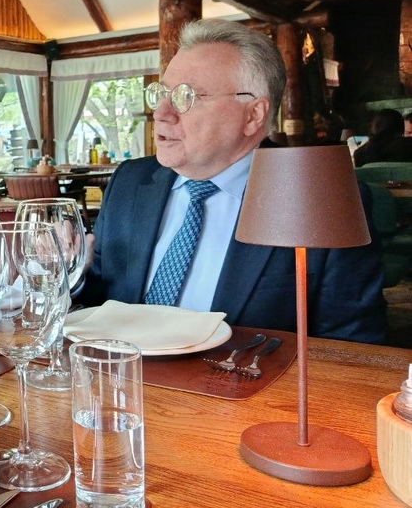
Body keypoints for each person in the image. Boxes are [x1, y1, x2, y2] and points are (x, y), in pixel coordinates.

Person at [80, 19, 386, 344]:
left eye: (187, 96)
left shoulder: (321, 199)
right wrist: (68, 275)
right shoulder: (130, 181)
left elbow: (351, 346)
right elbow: (100, 295)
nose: (161, 113)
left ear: (253, 115)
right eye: (162, 94)